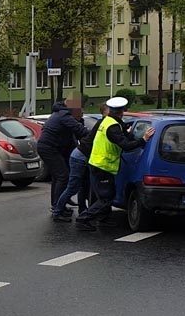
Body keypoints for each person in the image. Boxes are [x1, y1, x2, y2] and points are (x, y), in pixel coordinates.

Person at [76, 97, 154, 231]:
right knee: (106, 198)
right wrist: (143, 139)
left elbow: (122, 133)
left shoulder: (108, 121)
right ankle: (83, 219)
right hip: (102, 165)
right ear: (121, 111)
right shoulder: (112, 127)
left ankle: (103, 219)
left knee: (105, 195)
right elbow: (125, 145)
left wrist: (127, 132)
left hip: (99, 164)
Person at [38, 101, 87, 221]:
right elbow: (80, 130)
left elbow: (75, 136)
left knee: (58, 176)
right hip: (49, 148)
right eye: (80, 110)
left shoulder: (60, 114)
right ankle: (57, 209)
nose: (82, 112)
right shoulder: (64, 116)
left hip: (51, 147)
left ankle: (59, 204)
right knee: (62, 176)